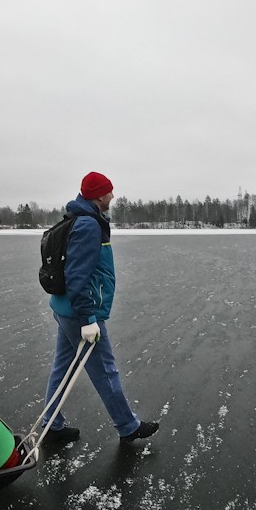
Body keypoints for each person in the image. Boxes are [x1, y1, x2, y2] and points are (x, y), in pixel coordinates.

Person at [42, 171, 159, 444]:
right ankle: (128, 426)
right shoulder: (88, 226)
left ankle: (51, 424)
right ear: (98, 195)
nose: (113, 196)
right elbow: (77, 276)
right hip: (78, 312)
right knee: (105, 371)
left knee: (63, 368)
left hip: (65, 309)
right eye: (109, 192)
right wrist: (88, 319)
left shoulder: (85, 220)